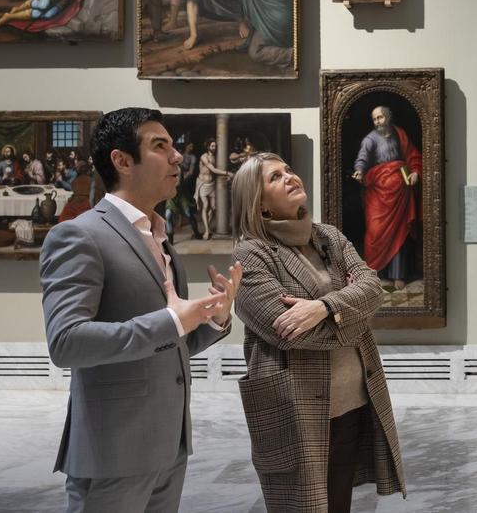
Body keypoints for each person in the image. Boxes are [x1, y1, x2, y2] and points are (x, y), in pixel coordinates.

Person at [40, 107, 240, 511]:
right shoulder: (78, 235)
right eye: (160, 146)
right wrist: (171, 320)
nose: (178, 157)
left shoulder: (161, 238)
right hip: (113, 452)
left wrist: (213, 318)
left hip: (169, 447)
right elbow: (66, 342)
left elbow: (166, 342)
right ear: (122, 160)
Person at [230, 152, 405, 511]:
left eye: (289, 170)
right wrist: (351, 313)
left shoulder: (327, 237)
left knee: (338, 502)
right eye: (275, 177)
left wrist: (324, 307)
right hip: (294, 406)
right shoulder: (251, 255)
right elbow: (288, 331)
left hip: (352, 399)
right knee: (301, 505)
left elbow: (373, 288)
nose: (290, 177)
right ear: (260, 205)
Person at [351, 106, 420, 290]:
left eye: (380, 117)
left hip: (400, 192)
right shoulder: (370, 139)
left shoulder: (400, 134)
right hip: (378, 193)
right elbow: (362, 159)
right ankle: (376, 274)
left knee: (400, 233)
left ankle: (398, 276)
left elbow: (412, 155)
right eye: (374, 119)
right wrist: (359, 171)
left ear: (388, 117)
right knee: (375, 232)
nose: (377, 122)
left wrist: (415, 171)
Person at [196, 139, 230, 240]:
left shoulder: (216, 157)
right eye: (212, 146)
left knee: (214, 207)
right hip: (202, 184)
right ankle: (207, 231)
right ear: (208, 147)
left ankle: (208, 226)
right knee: (205, 206)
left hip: (212, 184)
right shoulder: (204, 157)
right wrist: (227, 173)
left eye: (215, 146)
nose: (214, 148)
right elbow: (213, 170)